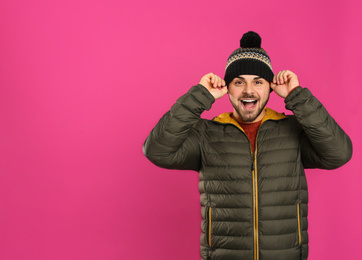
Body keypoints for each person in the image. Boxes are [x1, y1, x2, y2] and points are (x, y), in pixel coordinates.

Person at [143, 31, 352, 260]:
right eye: (239, 82)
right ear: (228, 87)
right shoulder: (207, 134)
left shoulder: (293, 130)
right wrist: (200, 96)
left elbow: (339, 153)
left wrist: (296, 95)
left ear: (270, 87)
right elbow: (157, 150)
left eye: (258, 82)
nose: (249, 91)